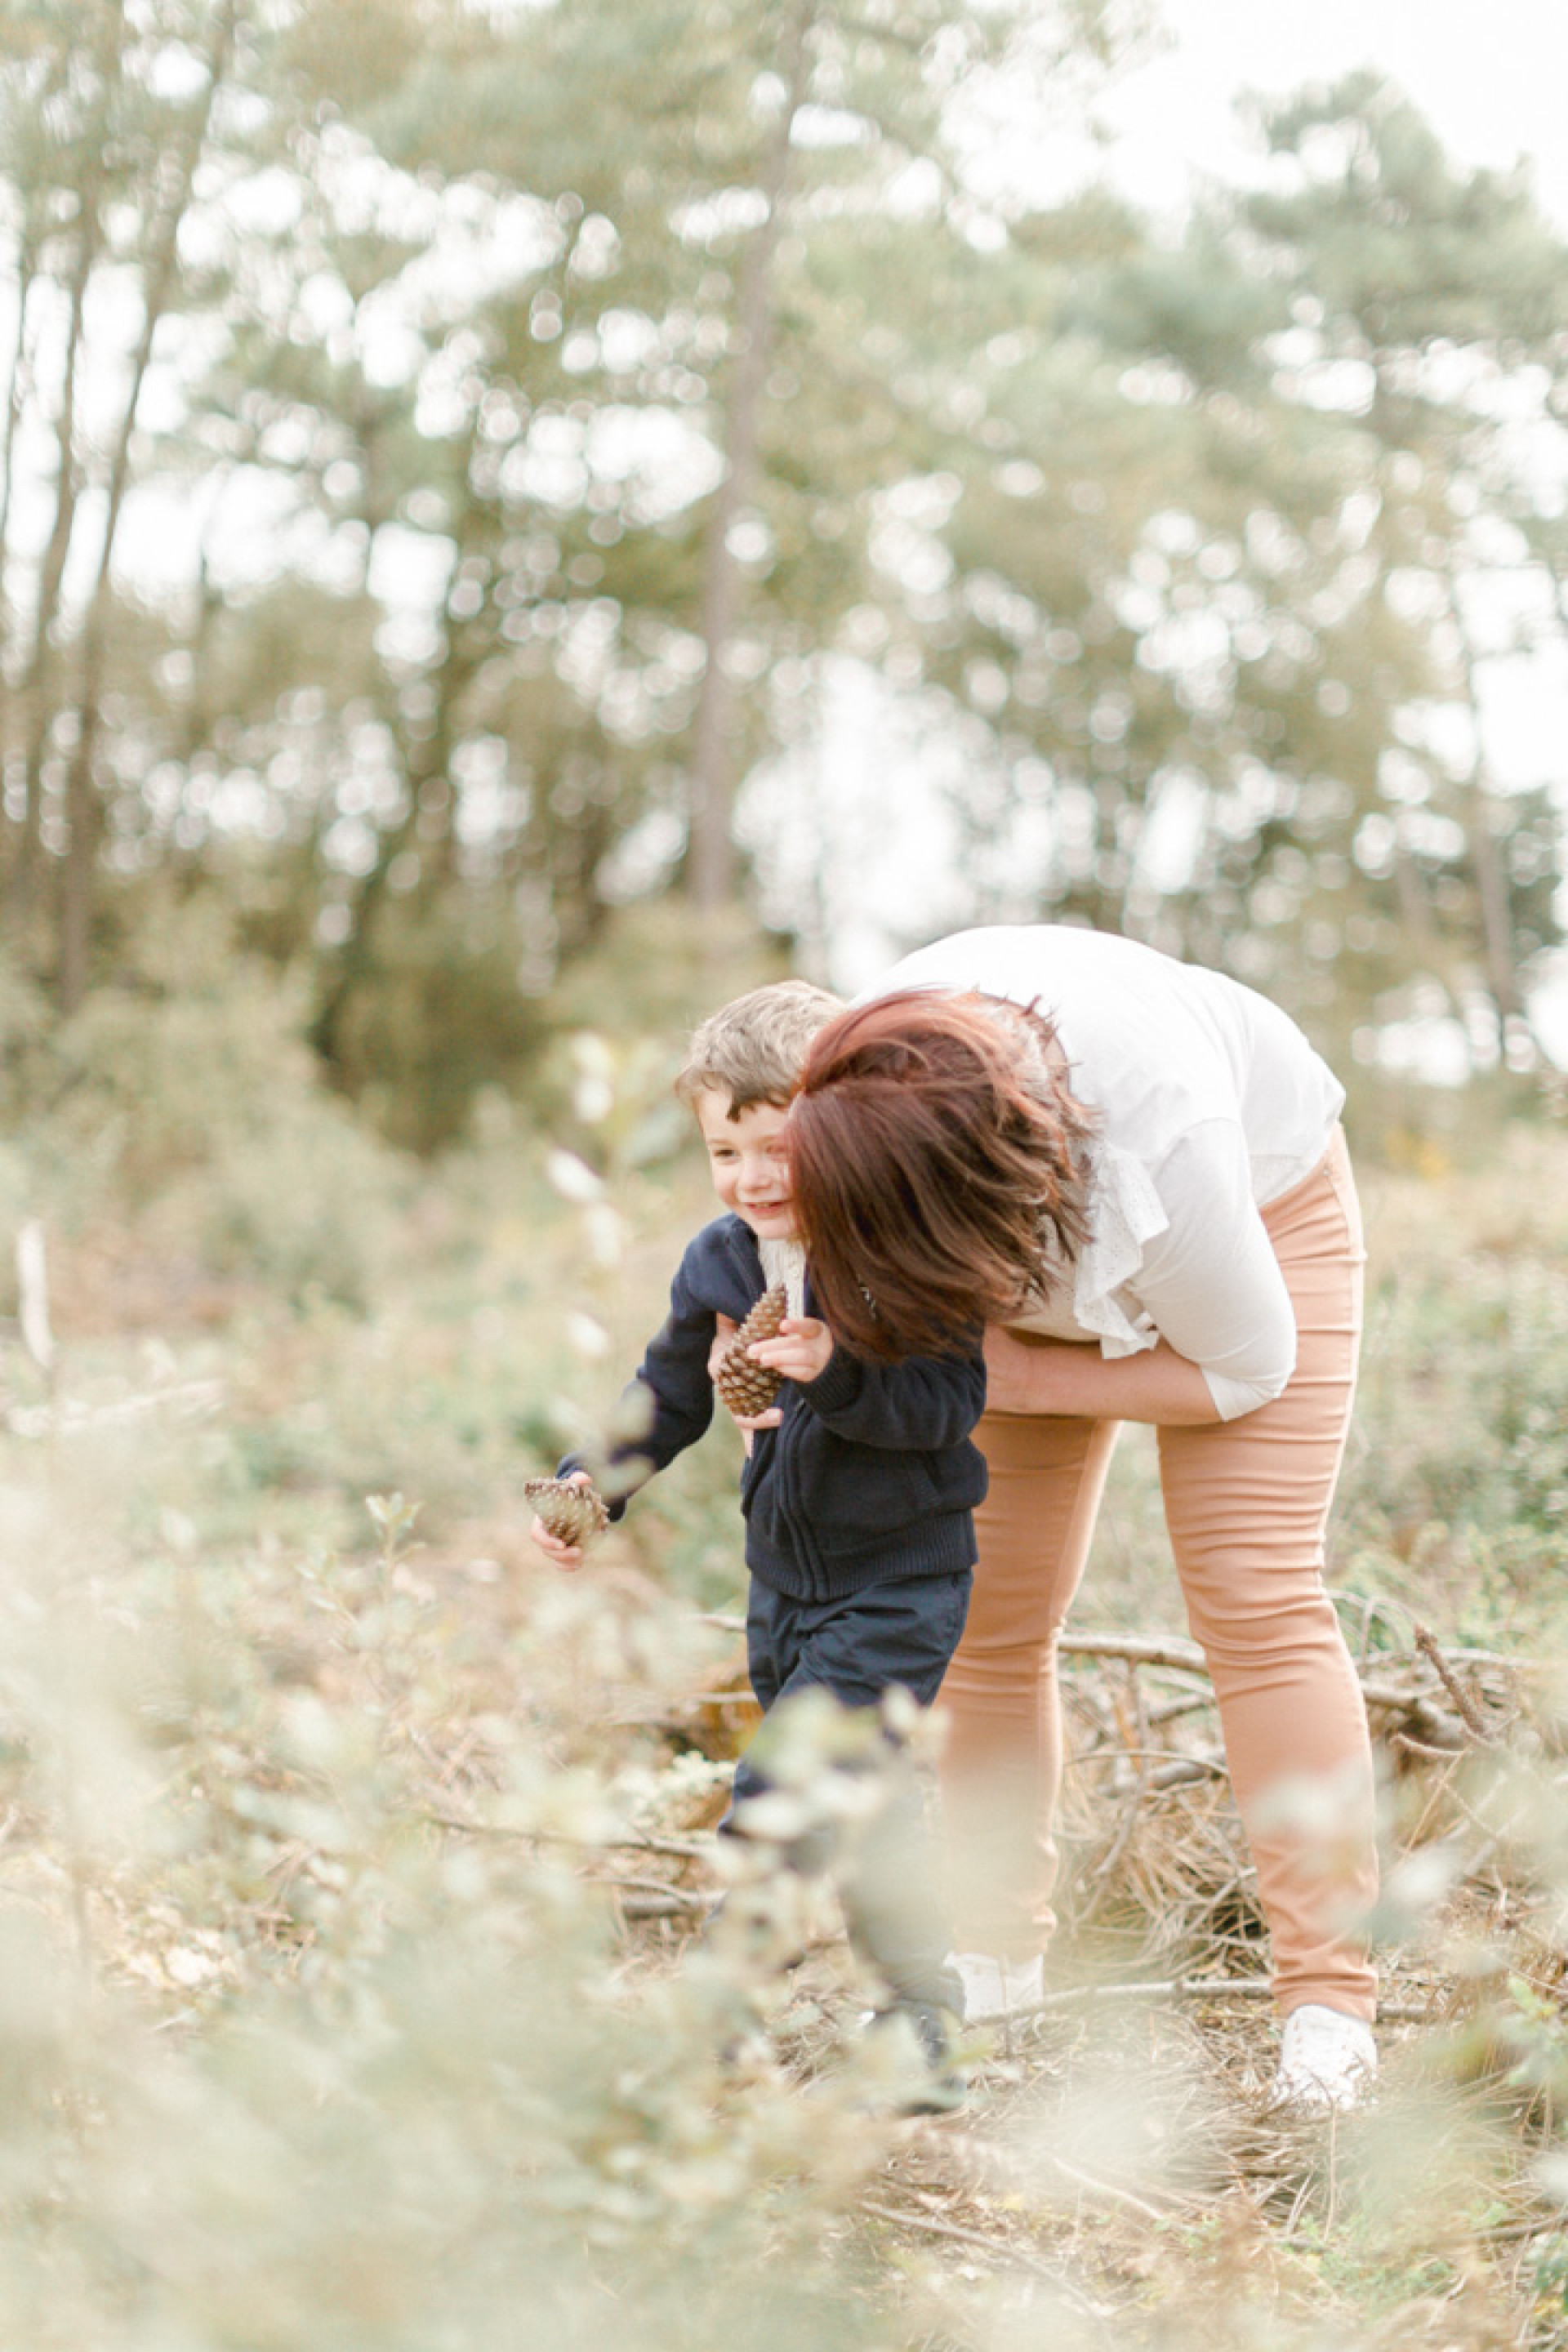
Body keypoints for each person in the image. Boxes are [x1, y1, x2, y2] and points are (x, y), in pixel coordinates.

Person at [782, 925, 1379, 2112]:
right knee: (988, 1618)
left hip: (1258, 1227)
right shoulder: (854, 1109)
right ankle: (994, 1960)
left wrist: (1026, 1377)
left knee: (1255, 1599)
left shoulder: (1170, 1130)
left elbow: (1248, 1368)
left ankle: (1328, 2006)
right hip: (990, 1236)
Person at [529, 980, 987, 2094]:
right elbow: (671, 1389)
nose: (755, 1178)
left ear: (845, 1131)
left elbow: (948, 1406)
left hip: (898, 1584)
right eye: (725, 1152)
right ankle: (928, 2022)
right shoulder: (722, 1259)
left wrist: (839, 1370)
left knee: (781, 1789)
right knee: (866, 1823)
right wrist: (595, 1483)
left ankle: (719, 2020)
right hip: (782, 1582)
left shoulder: (905, 1250)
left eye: (779, 1146)